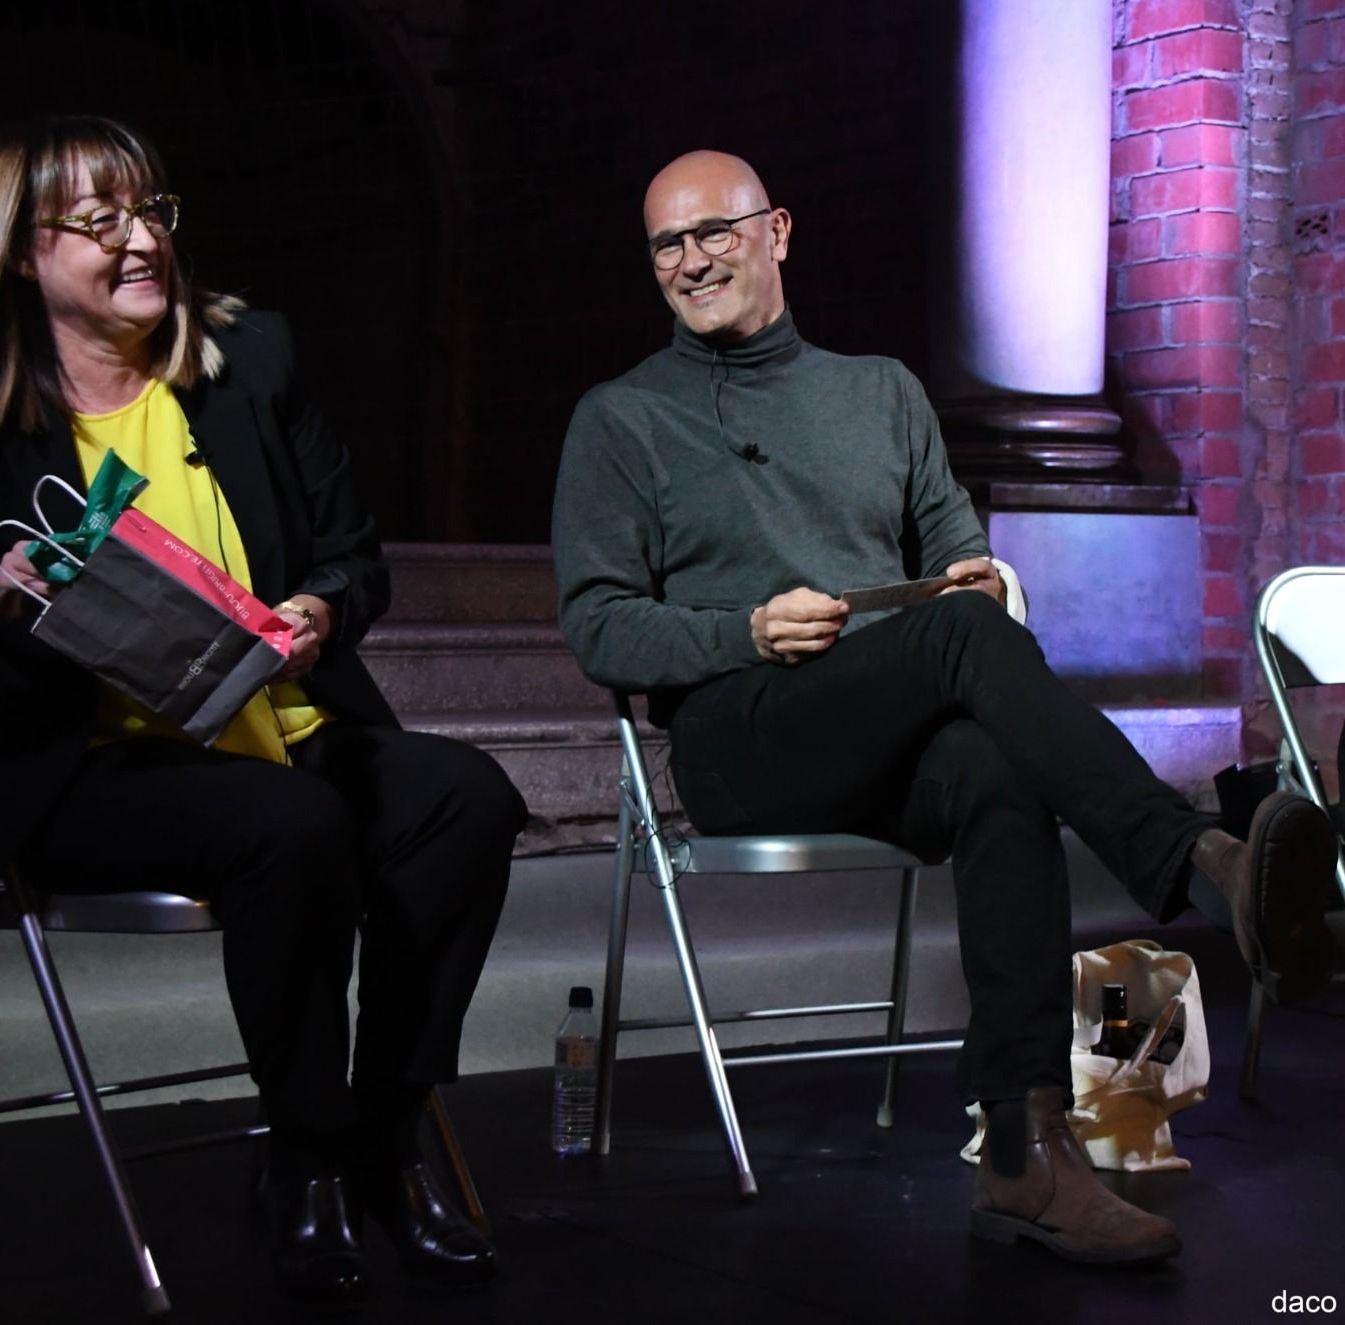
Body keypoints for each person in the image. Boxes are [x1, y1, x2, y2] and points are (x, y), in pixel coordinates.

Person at [552, 149, 1337, 1266]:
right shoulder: (622, 417)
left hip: (897, 719)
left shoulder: (880, 390)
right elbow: (597, 624)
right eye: (666, 245)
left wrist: (980, 574)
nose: (690, 261)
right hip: (743, 734)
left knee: (990, 757)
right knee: (970, 650)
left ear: (776, 230)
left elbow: (957, 555)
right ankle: (1203, 865)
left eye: (713, 232)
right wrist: (743, 630)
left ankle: (1024, 1149)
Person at [0, 115, 527, 1311]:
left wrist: (317, 610)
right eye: (98, 222)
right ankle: (302, 1156)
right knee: (290, 829)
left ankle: (379, 1140)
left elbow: (355, 554)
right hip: (78, 773)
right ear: (21, 254)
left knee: (463, 797)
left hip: (270, 727)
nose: (140, 241)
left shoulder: (253, 360)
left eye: (151, 212)